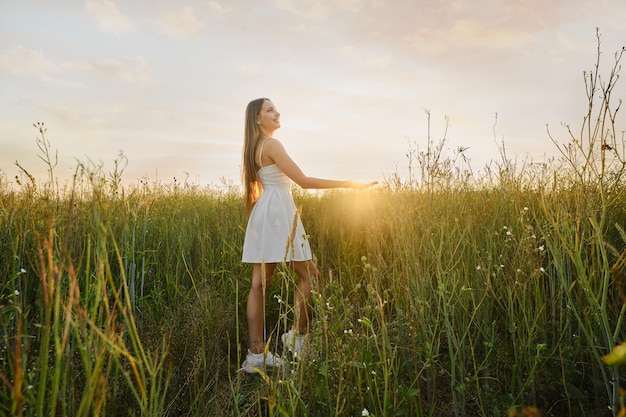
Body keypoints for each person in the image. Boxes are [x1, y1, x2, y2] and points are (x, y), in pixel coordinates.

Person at [240, 98, 377, 373]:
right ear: (257, 118)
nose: (277, 113)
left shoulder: (254, 147)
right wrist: (349, 184)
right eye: (270, 110)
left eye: (275, 108)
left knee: (261, 285)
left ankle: (256, 355)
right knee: (308, 275)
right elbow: (303, 181)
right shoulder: (272, 144)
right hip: (278, 214)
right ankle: (295, 338)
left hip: (268, 213)